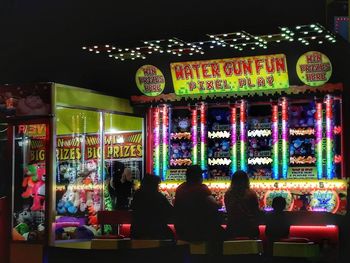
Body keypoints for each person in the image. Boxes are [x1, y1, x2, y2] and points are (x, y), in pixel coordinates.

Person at [174, 165, 224, 241]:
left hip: (182, 230)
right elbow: (216, 205)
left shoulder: (180, 188)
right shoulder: (202, 188)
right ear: (198, 177)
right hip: (199, 230)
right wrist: (220, 202)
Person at [130, 174, 174, 240]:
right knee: (171, 236)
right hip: (156, 232)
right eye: (157, 185)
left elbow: (132, 207)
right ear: (154, 185)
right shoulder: (158, 196)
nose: (158, 187)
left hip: (137, 231)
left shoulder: (137, 194)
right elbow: (170, 211)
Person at [224, 170, 260, 239]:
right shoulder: (251, 193)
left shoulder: (228, 194)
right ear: (246, 180)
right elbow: (256, 211)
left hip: (232, 229)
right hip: (250, 228)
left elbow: (228, 210)